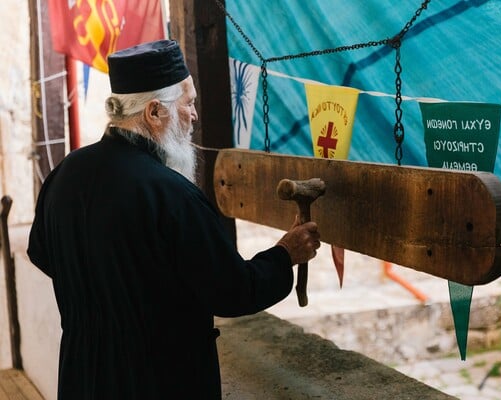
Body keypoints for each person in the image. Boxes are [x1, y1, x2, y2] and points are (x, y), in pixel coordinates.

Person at [27, 39, 321, 400]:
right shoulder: (170, 195)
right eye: (188, 103)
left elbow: (41, 254)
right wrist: (286, 253)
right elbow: (233, 292)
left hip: (82, 377)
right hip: (156, 380)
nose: (195, 115)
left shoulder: (64, 174)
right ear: (154, 112)